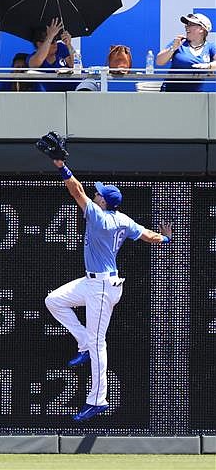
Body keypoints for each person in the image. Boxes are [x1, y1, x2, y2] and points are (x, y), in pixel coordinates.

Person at [45, 159, 172, 422]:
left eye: (99, 193)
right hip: (92, 282)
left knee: (98, 343)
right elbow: (148, 235)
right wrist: (166, 238)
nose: (95, 194)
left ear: (103, 202)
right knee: (54, 301)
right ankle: (81, 341)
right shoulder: (123, 219)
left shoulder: (99, 217)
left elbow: (76, 190)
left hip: (102, 288)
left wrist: (61, 166)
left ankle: (98, 399)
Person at [156, 13, 216, 92]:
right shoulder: (179, 42)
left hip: (196, 96)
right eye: (187, 24)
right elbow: (159, 62)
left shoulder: (210, 47)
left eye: (191, 24)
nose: (186, 27)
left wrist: (208, 66)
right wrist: (173, 48)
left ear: (202, 29)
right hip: (170, 93)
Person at [27, 18, 75, 92]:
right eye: (52, 40)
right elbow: (36, 63)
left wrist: (69, 44)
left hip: (69, 94)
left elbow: (75, 65)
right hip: (46, 97)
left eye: (56, 38)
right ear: (39, 44)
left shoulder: (61, 47)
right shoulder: (33, 57)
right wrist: (50, 37)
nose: (55, 42)